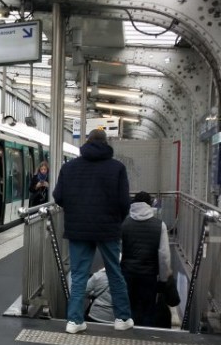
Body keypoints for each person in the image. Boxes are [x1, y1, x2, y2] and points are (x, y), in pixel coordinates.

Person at [53, 128, 133, 334]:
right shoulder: (117, 168)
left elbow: (58, 196)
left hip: (78, 229)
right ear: (106, 144)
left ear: (87, 142)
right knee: (114, 272)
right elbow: (124, 202)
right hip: (108, 228)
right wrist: (116, 220)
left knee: (79, 275)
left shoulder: (69, 168)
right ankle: (122, 318)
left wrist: (76, 212)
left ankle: (74, 321)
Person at [121, 191, 172, 327]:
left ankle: (127, 338)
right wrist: (163, 279)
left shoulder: (124, 224)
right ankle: (145, 337)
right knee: (148, 310)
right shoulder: (160, 225)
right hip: (149, 275)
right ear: (150, 204)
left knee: (128, 307)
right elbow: (164, 255)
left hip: (128, 273)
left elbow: (119, 250)